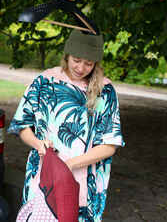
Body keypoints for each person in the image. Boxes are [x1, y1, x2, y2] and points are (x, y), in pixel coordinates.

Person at [8, 29, 125, 221]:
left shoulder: (105, 91)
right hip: (43, 175)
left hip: (85, 180)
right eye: (76, 60)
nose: (81, 68)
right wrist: (38, 144)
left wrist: (68, 166)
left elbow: (109, 145)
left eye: (88, 63)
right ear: (67, 55)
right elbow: (22, 125)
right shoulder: (45, 81)